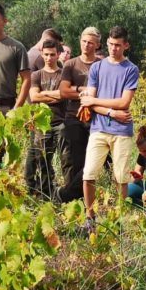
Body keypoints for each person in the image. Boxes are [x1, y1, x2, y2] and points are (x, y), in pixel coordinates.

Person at [80, 26, 139, 233]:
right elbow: (90, 104)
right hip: (99, 128)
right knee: (89, 174)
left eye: (118, 45)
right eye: (111, 44)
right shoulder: (97, 68)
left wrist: (94, 101)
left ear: (126, 45)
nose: (114, 48)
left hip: (122, 131)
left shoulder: (131, 69)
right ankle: (90, 217)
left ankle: (119, 218)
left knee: (121, 177)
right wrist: (112, 113)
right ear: (106, 43)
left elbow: (124, 102)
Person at [56, 27, 101, 203]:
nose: (86, 45)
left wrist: (90, 96)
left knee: (93, 160)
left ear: (97, 45)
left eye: (90, 42)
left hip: (96, 117)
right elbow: (64, 92)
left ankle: (67, 195)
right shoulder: (70, 64)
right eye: (84, 41)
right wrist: (84, 91)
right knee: (76, 160)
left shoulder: (101, 65)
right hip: (73, 117)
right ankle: (76, 200)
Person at [25, 39, 65, 200]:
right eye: (46, 54)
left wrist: (44, 95)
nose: (49, 58)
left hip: (60, 123)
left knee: (65, 160)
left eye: (52, 54)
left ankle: (64, 194)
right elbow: (34, 97)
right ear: (41, 54)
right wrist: (54, 95)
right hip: (42, 124)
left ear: (58, 55)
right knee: (42, 160)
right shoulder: (36, 74)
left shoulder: (64, 74)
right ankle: (44, 194)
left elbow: (63, 95)